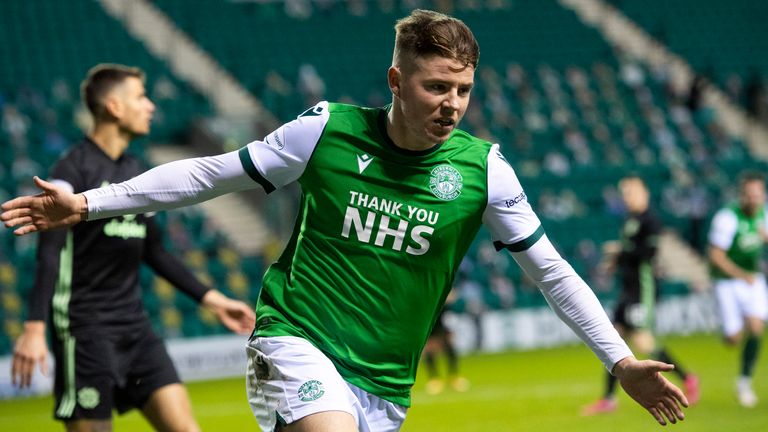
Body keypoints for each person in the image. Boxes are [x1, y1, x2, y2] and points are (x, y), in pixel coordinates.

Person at [2, 10, 688, 431]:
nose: (452, 104)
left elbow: (553, 273)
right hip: (296, 337)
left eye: (463, 90)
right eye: (436, 86)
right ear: (395, 81)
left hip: (384, 382)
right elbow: (210, 173)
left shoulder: (486, 172)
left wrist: (619, 360)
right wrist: (91, 202)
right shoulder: (325, 132)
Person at [8, 64, 256, 432]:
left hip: (136, 328)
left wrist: (213, 299)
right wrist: (33, 328)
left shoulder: (136, 171)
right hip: (85, 330)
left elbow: (154, 251)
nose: (151, 106)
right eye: (141, 97)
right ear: (113, 106)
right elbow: (49, 252)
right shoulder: (72, 170)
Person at [582, 175, 700, 416]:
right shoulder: (631, 221)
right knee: (612, 340)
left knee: (642, 341)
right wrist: (615, 260)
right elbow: (630, 253)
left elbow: (648, 253)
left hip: (641, 290)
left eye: (631, 192)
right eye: (624, 194)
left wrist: (620, 251)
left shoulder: (650, 221)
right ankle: (608, 399)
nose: (627, 198)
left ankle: (688, 378)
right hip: (627, 289)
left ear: (644, 193)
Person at [707, 170, 768, 408]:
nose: (754, 198)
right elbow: (715, 256)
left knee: (756, 328)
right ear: (742, 195)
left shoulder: (764, 215)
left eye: (758, 194)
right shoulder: (727, 218)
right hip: (727, 281)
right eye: (749, 194)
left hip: (752, 279)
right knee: (733, 338)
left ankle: (743, 382)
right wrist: (741, 275)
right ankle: (725, 323)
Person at [421, 289, 469, 395]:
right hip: (428, 318)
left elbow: (452, 296)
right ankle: (434, 379)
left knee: (449, 347)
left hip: (442, 317)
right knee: (430, 348)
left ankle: (454, 377)